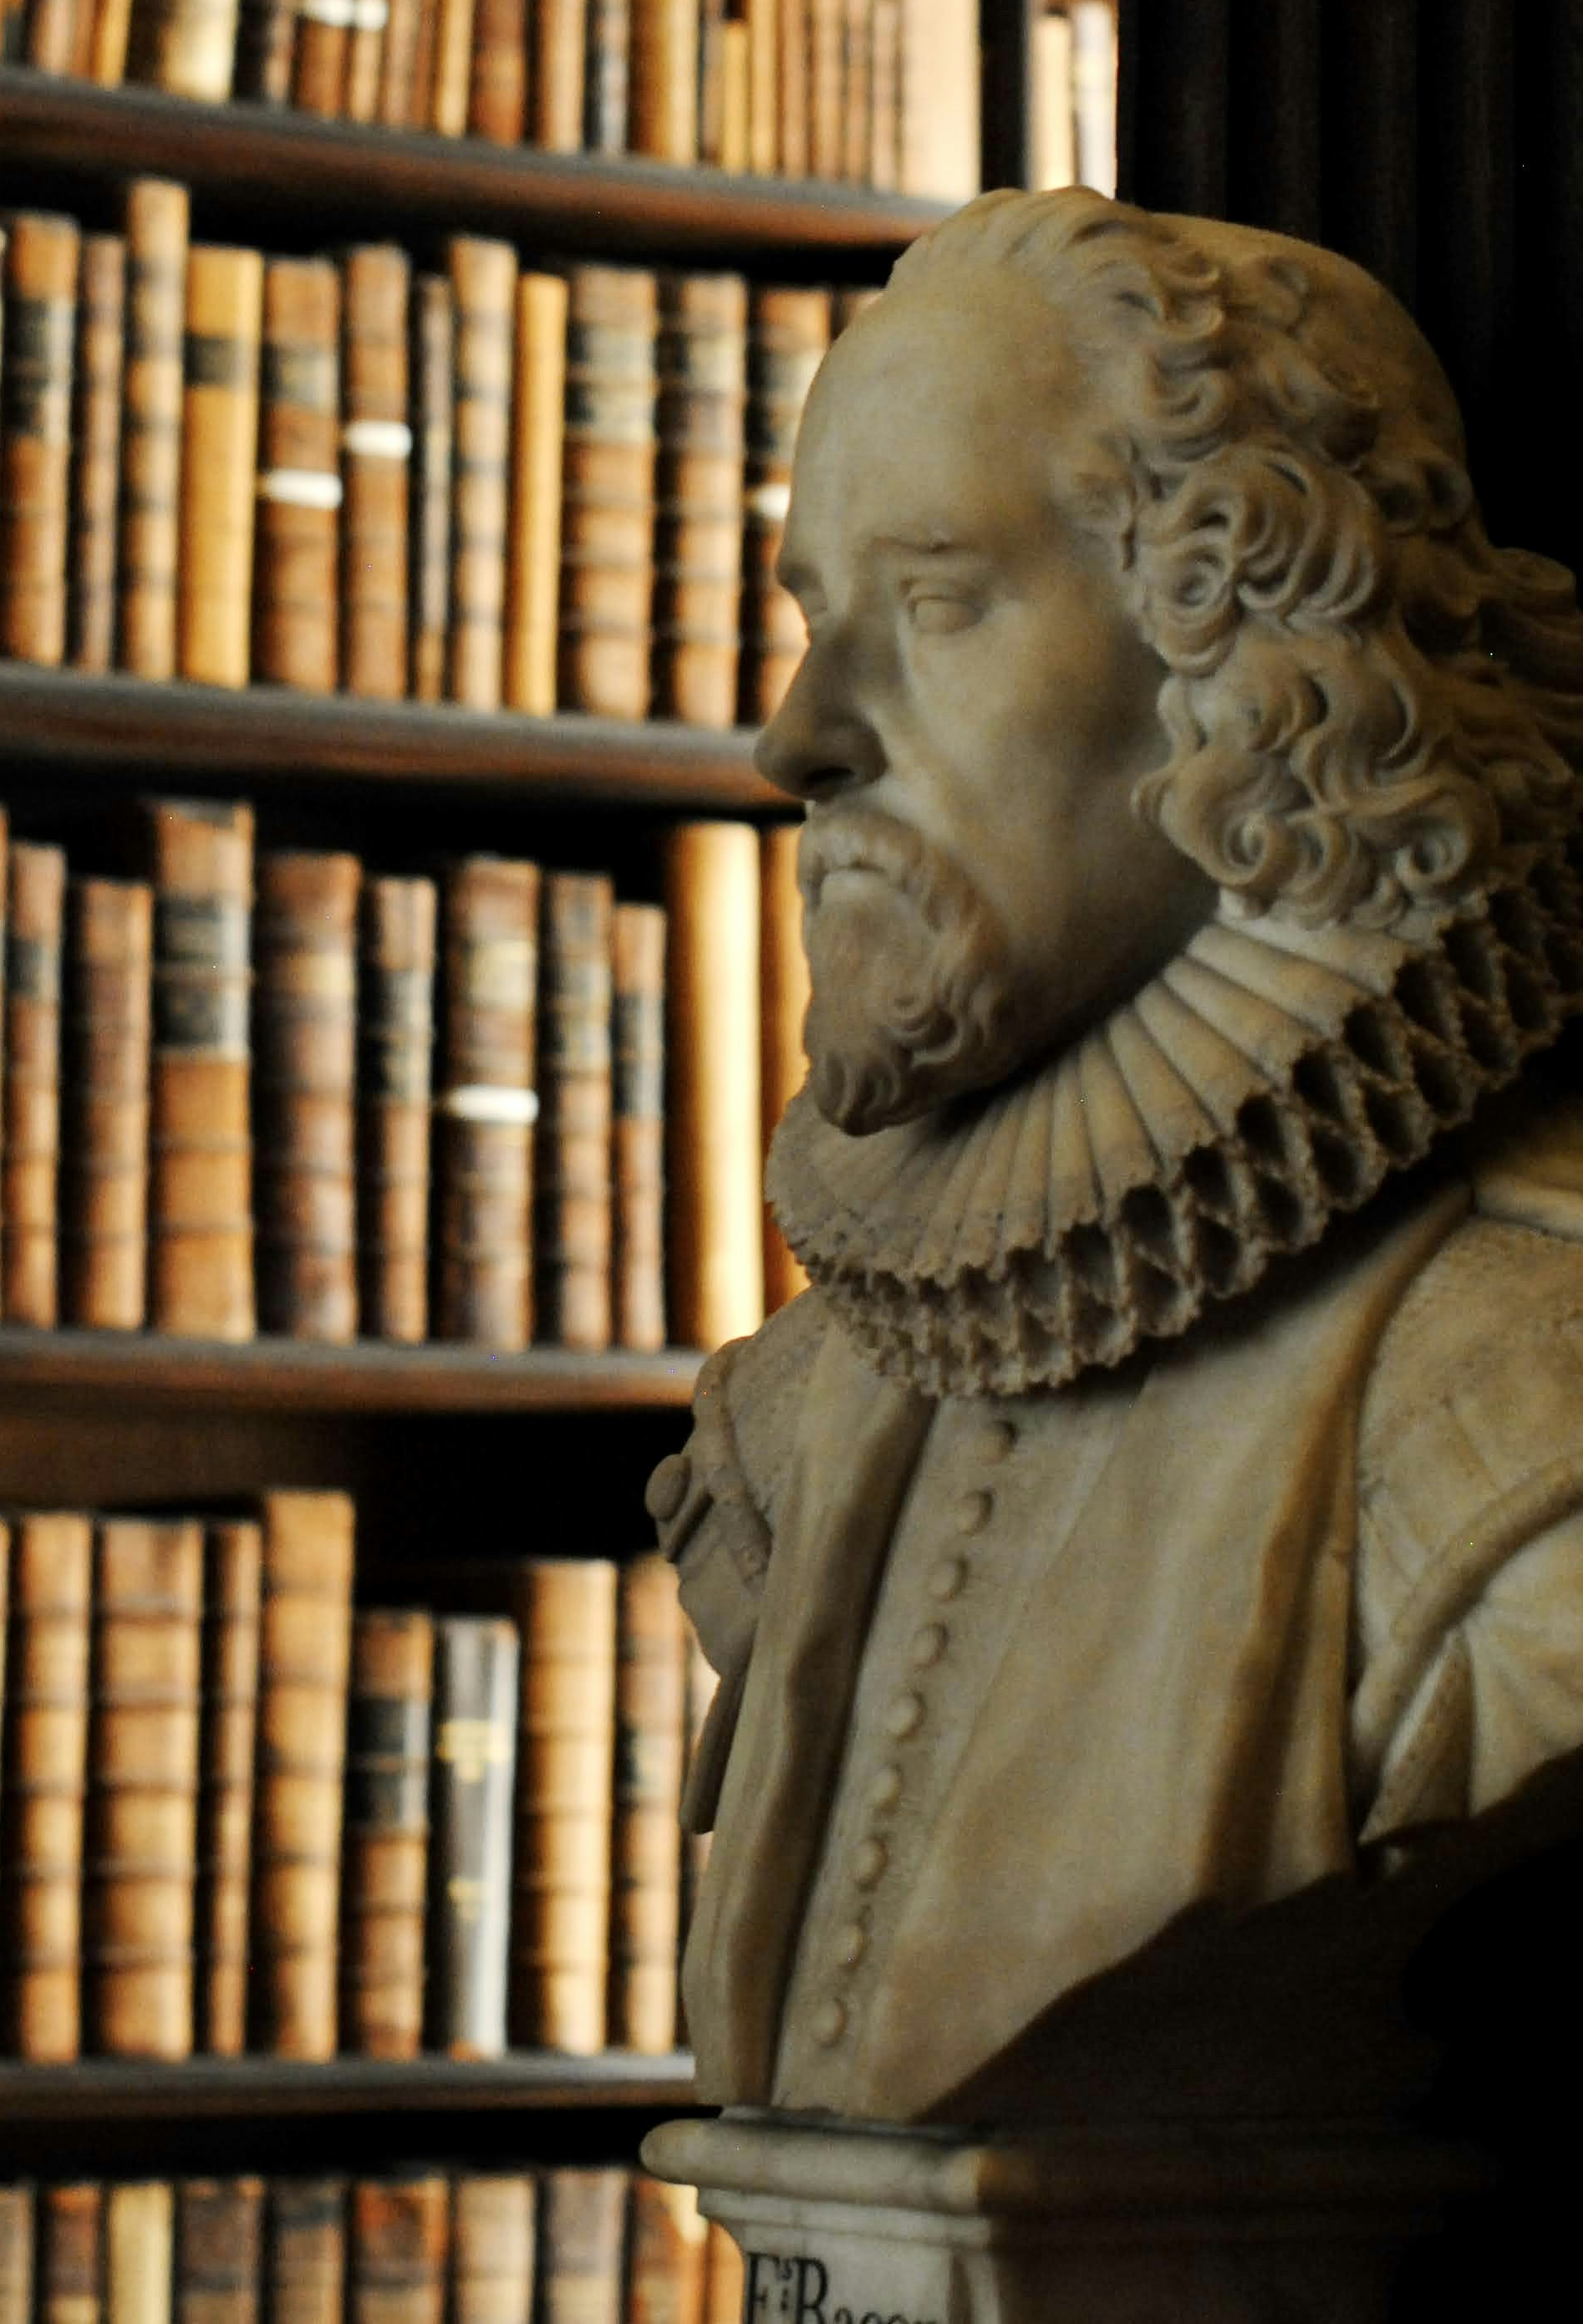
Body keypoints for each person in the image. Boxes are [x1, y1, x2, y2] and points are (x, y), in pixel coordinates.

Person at [654, 186, 1583, 2122]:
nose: (795, 739)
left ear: (1240, 658)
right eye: (818, 619)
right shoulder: (801, 1423)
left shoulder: (1515, 1420)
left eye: (933, 602)